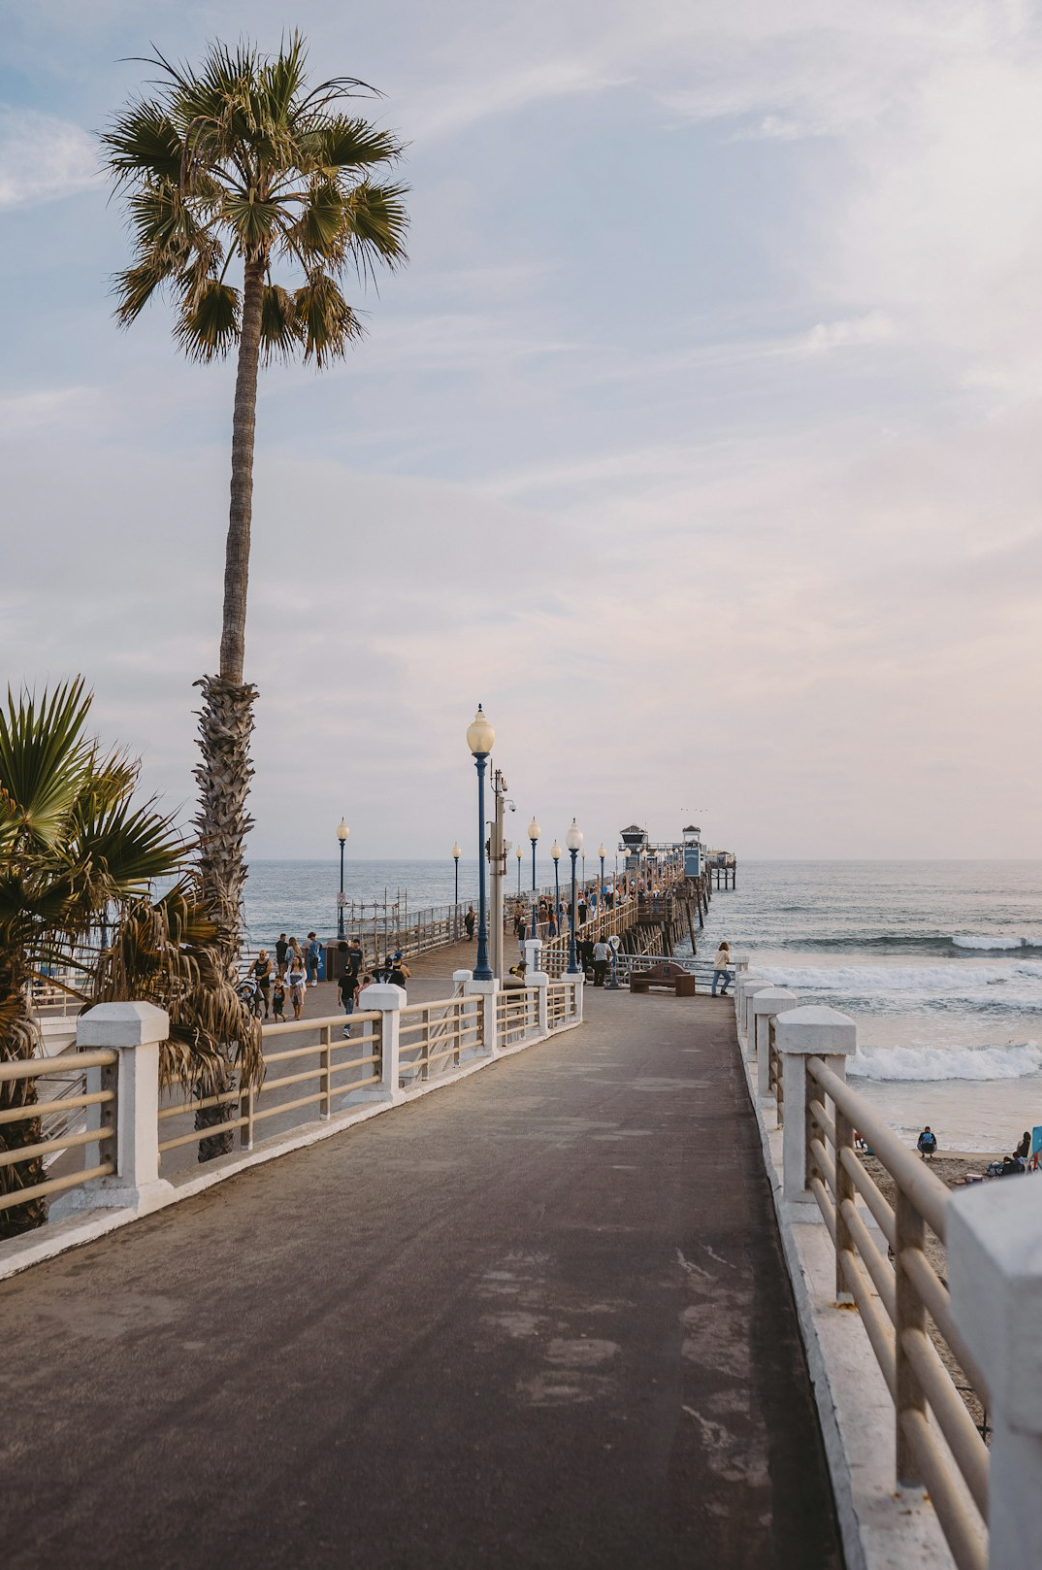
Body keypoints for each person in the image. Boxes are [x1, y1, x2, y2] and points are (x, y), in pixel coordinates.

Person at [339, 964, 359, 1038]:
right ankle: (346, 1029)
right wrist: (357, 999)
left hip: (343, 998)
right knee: (349, 1013)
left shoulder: (341, 979)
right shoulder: (354, 980)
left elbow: (339, 990)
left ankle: (349, 1025)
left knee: (348, 1011)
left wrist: (338, 1000)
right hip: (350, 998)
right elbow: (356, 991)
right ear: (351, 971)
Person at [252, 950, 273, 1018]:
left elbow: (268, 972)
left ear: (265, 955)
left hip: (265, 982)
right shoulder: (256, 962)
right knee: (256, 999)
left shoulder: (268, 962)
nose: (261, 956)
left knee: (266, 999)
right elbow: (251, 969)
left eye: (263, 954)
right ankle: (256, 1012)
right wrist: (249, 974)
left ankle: (266, 1011)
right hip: (257, 983)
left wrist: (261, 977)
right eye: (260, 954)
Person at [287, 953, 307, 1021]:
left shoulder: (302, 968)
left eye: (296, 960)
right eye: (294, 960)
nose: (295, 961)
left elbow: (304, 977)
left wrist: (297, 983)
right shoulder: (290, 967)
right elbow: (287, 977)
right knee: (293, 1000)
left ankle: (299, 1014)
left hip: (300, 985)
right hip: (292, 985)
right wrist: (289, 984)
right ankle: (295, 1012)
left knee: (300, 1000)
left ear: (299, 961)